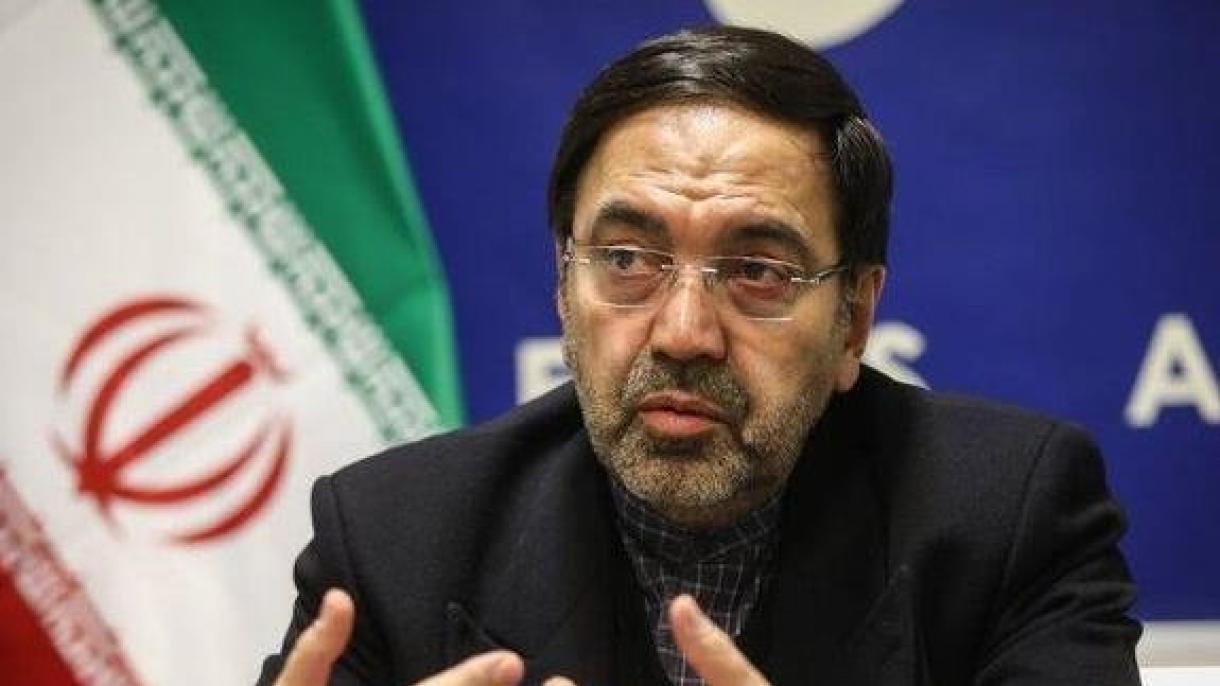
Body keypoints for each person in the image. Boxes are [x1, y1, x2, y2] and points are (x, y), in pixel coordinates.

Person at [259, 26, 1141, 686]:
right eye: (627, 259)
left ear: (854, 320)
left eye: (757, 271)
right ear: (565, 288)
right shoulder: (391, 540)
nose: (683, 333)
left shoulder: (1010, 520)